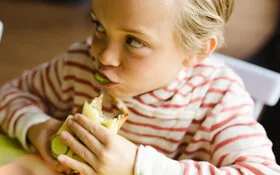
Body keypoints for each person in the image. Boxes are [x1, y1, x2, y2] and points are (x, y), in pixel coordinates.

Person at [0, 0, 280, 174]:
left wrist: (136, 166)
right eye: (99, 26)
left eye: (134, 41)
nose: (103, 56)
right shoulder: (78, 66)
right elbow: (10, 95)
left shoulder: (217, 99)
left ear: (195, 52)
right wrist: (37, 127)